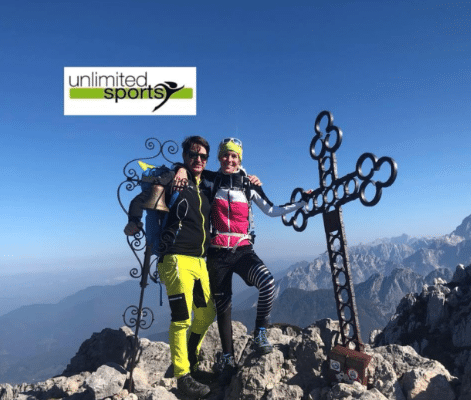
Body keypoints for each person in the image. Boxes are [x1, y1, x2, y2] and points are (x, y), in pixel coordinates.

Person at [206, 138, 310, 385]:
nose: (229, 160)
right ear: (219, 158)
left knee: (268, 283)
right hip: (217, 253)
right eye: (225, 156)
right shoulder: (210, 180)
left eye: (234, 157)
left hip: (242, 250)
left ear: (239, 160)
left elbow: (272, 210)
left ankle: (260, 333)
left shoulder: (247, 184)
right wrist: (180, 168)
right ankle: (228, 358)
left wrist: (302, 203)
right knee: (224, 307)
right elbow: (190, 170)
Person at [124, 136, 215, 399]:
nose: (198, 159)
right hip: (175, 260)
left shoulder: (203, 186)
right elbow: (138, 201)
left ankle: (190, 356)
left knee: (206, 314)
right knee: (182, 318)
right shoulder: (170, 180)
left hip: (199, 261)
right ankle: (183, 377)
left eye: (203, 156)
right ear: (185, 155)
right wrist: (133, 220)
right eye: (193, 154)